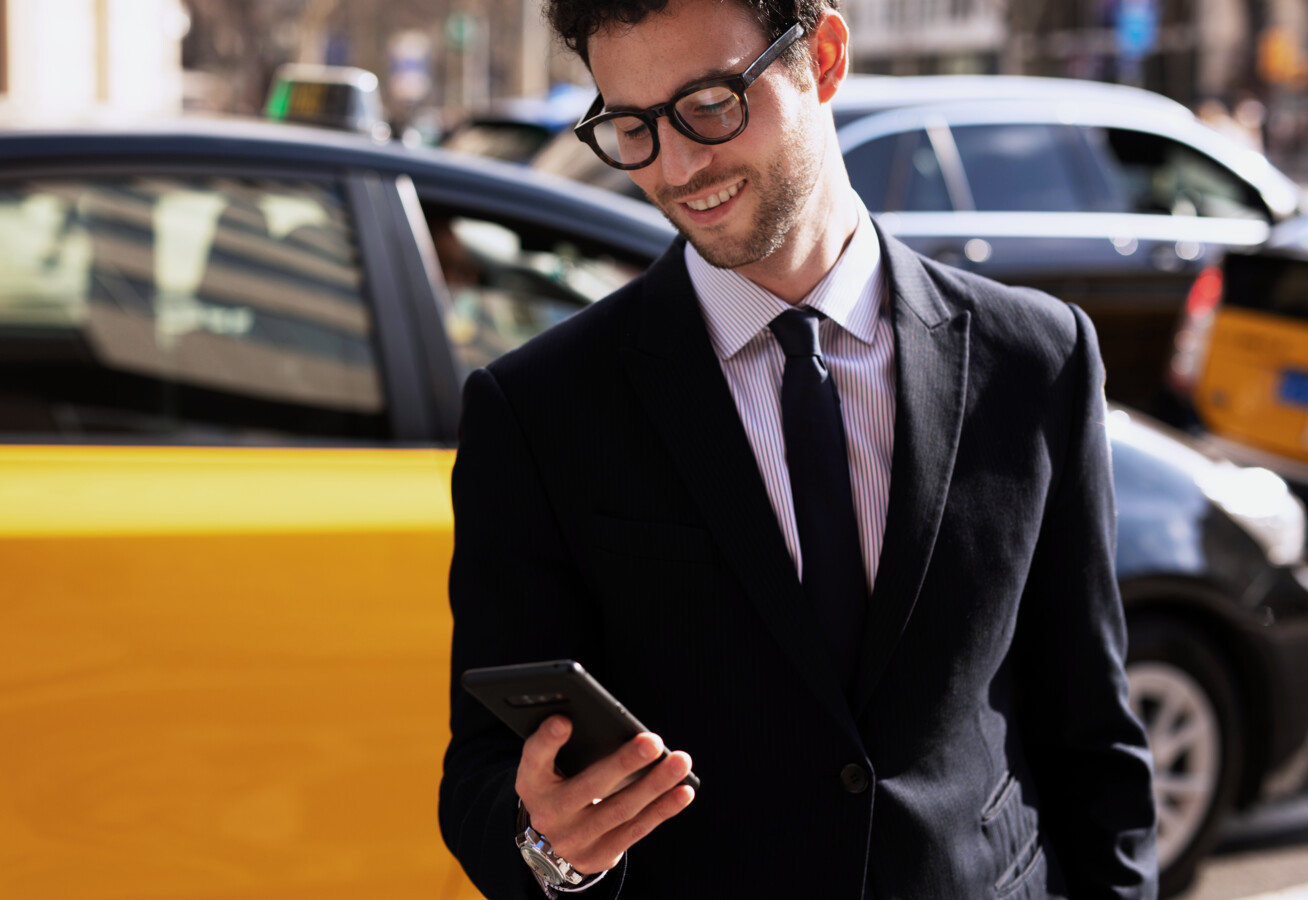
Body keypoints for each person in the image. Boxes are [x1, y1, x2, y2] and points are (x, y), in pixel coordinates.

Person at [438, 0, 1160, 896]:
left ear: (822, 55)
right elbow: (483, 778)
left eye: (709, 104)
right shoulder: (537, 408)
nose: (678, 165)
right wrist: (551, 850)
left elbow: (1091, 741)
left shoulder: (1036, 358)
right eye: (632, 126)